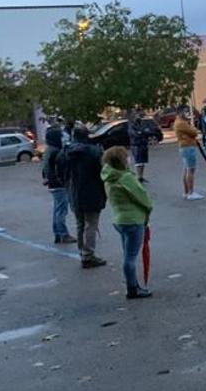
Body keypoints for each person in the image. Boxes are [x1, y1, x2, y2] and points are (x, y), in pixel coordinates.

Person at [100, 147, 153, 299]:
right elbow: (143, 198)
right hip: (133, 220)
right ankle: (132, 288)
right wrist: (148, 212)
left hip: (119, 219)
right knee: (130, 257)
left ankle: (133, 284)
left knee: (127, 254)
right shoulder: (126, 178)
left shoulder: (109, 177)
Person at [64, 125, 107, 268]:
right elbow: (102, 172)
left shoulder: (67, 151)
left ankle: (83, 252)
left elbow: (63, 172)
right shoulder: (93, 151)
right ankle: (88, 254)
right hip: (92, 191)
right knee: (91, 224)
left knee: (80, 223)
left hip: (75, 191)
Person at [42, 126, 74, 243]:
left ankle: (57, 233)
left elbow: (45, 168)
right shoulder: (57, 152)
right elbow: (62, 168)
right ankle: (63, 234)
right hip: (59, 184)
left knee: (57, 209)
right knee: (61, 210)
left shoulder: (49, 150)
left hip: (53, 183)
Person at [174, 109, 203, 200]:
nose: (187, 114)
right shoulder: (181, 123)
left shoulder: (181, 122)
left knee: (187, 169)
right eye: (185, 112)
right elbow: (194, 132)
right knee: (190, 170)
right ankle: (191, 192)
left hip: (185, 146)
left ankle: (186, 192)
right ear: (180, 113)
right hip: (188, 147)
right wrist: (192, 128)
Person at [128, 111, 150, 183]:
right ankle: (138, 177)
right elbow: (135, 135)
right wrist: (142, 132)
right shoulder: (131, 125)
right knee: (138, 162)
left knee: (143, 162)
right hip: (136, 145)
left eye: (139, 116)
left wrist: (142, 132)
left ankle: (141, 177)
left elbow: (148, 131)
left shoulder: (141, 123)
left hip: (143, 144)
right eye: (136, 116)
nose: (138, 117)